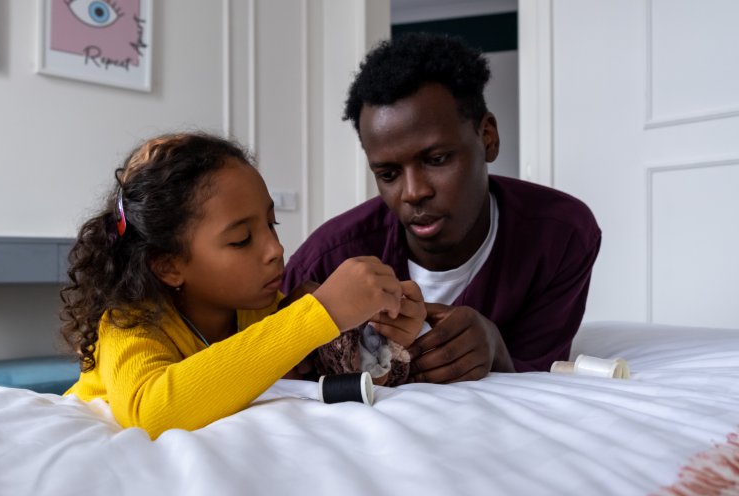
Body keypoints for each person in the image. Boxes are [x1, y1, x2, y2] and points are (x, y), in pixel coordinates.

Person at [61, 132, 424, 439]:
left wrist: (381, 338)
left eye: (272, 224)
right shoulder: (128, 323)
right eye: (241, 240)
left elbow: (331, 372)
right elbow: (153, 413)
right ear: (168, 264)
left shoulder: (260, 307)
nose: (276, 250)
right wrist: (318, 315)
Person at [283, 33, 602, 381]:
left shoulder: (560, 235)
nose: (413, 193)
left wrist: (496, 350)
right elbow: (279, 374)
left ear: (488, 138)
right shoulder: (327, 260)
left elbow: (544, 376)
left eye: (436, 159)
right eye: (388, 174)